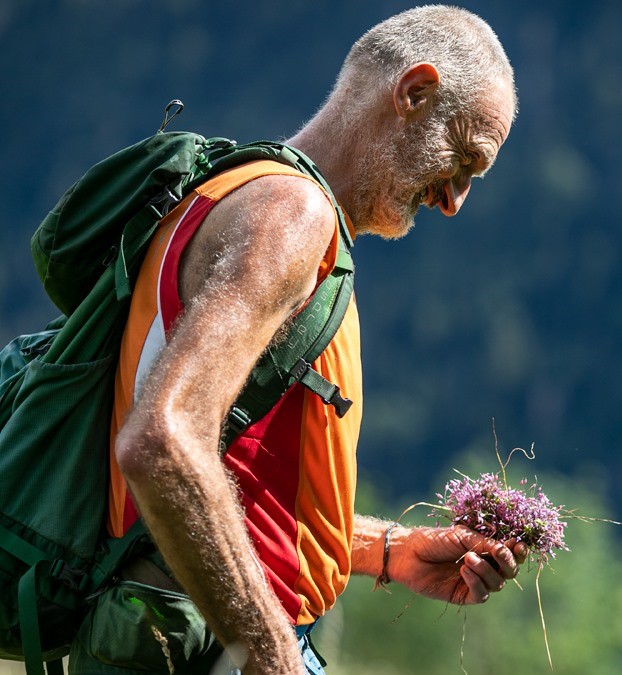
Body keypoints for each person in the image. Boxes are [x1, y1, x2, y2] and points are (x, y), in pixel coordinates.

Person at [68, 6, 524, 674]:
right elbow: (162, 440)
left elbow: (241, 472)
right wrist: (272, 653)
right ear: (413, 92)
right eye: (463, 160)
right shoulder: (292, 217)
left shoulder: (252, 200)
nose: (454, 199)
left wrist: (387, 550)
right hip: (201, 646)